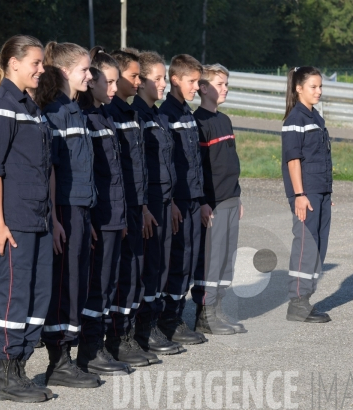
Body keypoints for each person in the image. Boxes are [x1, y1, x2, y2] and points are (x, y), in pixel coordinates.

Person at [0, 35, 54, 402]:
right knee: (13, 296)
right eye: (36, 63)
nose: (41, 69)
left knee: (38, 295)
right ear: (14, 63)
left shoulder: (31, 107)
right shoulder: (2, 107)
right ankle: (4, 374)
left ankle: (21, 367)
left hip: (38, 219)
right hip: (14, 222)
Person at [35, 41, 101, 389]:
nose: (90, 76)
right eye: (84, 70)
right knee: (64, 284)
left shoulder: (74, 109)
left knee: (78, 283)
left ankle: (68, 356)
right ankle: (57, 360)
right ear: (63, 72)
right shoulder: (54, 112)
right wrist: (57, 219)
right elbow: (51, 169)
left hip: (80, 208)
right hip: (64, 208)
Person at [76, 46, 131, 376]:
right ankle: (89, 350)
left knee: (108, 285)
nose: (113, 89)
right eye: (108, 83)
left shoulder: (106, 116)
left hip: (115, 215)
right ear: (92, 81)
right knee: (96, 285)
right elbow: (87, 174)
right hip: (100, 216)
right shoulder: (85, 118)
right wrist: (94, 218)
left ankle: (101, 345)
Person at [105, 49, 158, 367]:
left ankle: (126, 335)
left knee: (134, 274)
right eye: (134, 76)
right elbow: (115, 173)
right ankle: (115, 338)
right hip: (118, 209)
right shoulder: (109, 114)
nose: (138, 82)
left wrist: (143, 207)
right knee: (119, 276)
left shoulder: (128, 113)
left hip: (136, 208)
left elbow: (139, 171)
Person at [130, 50, 183, 355]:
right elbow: (139, 167)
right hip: (147, 203)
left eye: (164, 78)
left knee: (160, 267)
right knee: (147, 268)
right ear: (142, 82)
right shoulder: (136, 114)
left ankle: (153, 325)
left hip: (164, 200)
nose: (163, 84)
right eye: (158, 78)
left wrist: (171, 200)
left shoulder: (159, 115)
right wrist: (145, 208)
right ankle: (143, 330)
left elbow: (166, 163)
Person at [192, 64, 247, 335]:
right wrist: (202, 201)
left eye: (226, 84)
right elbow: (198, 168)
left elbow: (230, 163)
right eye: (220, 84)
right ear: (203, 88)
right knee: (211, 261)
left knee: (227, 259)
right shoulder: (198, 122)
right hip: (211, 204)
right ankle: (205, 314)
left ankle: (218, 310)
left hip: (229, 199)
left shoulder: (224, 120)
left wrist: (237, 196)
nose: (225, 88)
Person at [158, 54, 207, 345]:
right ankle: (168, 319)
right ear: (175, 80)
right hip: (177, 201)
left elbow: (194, 164)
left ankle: (177, 316)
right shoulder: (167, 114)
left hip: (191, 198)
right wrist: (172, 201)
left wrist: (200, 200)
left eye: (199, 82)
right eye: (191, 81)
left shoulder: (187, 113)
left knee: (188, 260)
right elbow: (168, 164)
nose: (196, 87)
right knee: (176, 261)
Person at [281, 66, 332, 324]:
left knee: (318, 247)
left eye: (320, 86)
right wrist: (300, 194)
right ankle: (297, 303)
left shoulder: (316, 118)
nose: (319, 91)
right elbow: (293, 161)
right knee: (305, 246)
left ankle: (306, 300)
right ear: (298, 88)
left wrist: (326, 191)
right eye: (313, 86)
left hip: (319, 191)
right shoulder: (295, 120)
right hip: (306, 193)